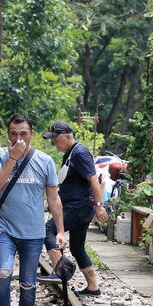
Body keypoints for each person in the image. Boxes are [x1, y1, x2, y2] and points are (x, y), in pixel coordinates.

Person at [0, 114, 66, 306]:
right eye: (13, 133)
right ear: (8, 134)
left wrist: (61, 230)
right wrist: (12, 158)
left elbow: (53, 197)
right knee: (3, 272)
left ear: (31, 134)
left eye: (23, 133)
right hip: (4, 229)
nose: (18, 138)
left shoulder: (44, 161)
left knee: (28, 284)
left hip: (33, 233)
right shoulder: (0, 156)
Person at [36, 121, 108, 296]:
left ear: (68, 136)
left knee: (48, 230)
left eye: (57, 139)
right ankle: (93, 287)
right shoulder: (71, 152)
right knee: (77, 248)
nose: (55, 143)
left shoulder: (80, 153)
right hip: (77, 206)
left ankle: (60, 270)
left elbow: (93, 180)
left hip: (79, 207)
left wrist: (99, 206)